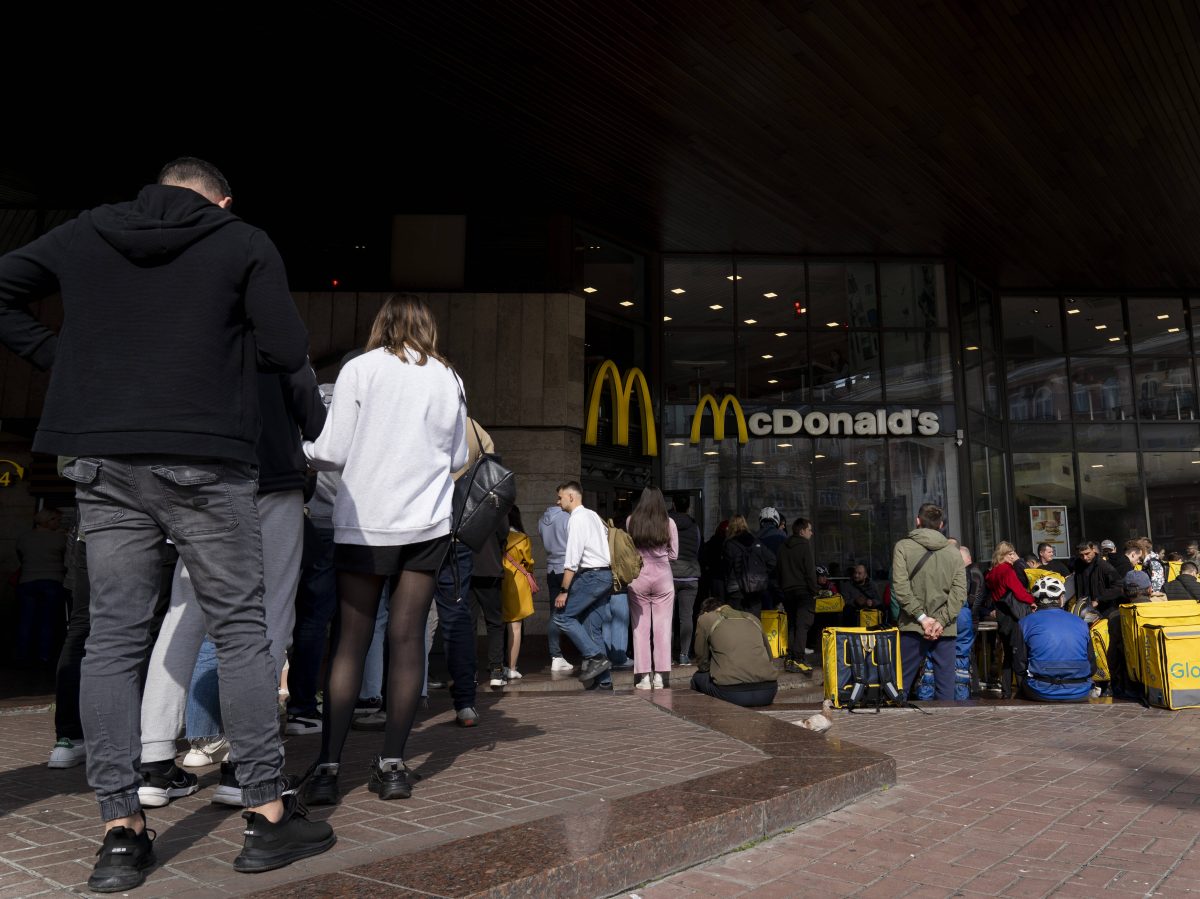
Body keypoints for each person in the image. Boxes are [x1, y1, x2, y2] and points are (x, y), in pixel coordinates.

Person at [0, 157, 334, 890]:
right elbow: (282, 350)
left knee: (114, 638)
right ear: (222, 199)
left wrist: (68, 359)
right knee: (242, 630)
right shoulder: (242, 241)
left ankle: (120, 833)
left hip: (102, 454)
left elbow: (3, 288)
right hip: (205, 456)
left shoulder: (89, 231)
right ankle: (268, 818)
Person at [302, 294, 468, 806]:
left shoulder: (360, 369)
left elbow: (331, 452)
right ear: (428, 328)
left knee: (350, 639)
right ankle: (393, 766)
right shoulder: (447, 377)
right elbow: (460, 454)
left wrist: (300, 453)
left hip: (365, 525)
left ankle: (329, 767)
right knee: (407, 637)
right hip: (426, 524)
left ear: (382, 324)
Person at [137, 363, 326, 808]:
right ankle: (247, 765)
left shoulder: (190, 327)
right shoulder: (275, 337)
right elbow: (316, 419)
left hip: (197, 481)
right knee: (272, 615)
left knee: (184, 614)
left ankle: (155, 763)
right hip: (272, 476)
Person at [891, 503, 967, 701]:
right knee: (945, 688)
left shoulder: (903, 547)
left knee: (901, 686)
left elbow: (900, 587)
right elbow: (959, 592)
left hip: (912, 625)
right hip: (945, 628)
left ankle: (899, 729)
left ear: (918, 521)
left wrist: (922, 618)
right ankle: (945, 728)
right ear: (941, 525)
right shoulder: (953, 552)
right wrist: (941, 621)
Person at [552, 481, 615, 689]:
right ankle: (604, 683)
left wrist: (563, 590)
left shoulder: (577, 519)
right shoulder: (593, 515)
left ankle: (595, 656)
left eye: (560, 497)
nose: (557, 501)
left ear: (571, 497)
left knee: (562, 617)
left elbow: (572, 558)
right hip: (605, 575)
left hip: (591, 577)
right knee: (593, 629)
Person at [626, 487, 679, 690]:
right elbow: (674, 554)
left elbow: (630, 550)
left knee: (640, 629)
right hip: (663, 578)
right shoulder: (669, 523)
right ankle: (660, 676)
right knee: (662, 628)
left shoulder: (632, 521)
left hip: (638, 577)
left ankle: (644, 678)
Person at [1013, 577, 1094, 701]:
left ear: (1035, 601)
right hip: (1080, 690)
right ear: (1061, 599)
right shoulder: (1081, 622)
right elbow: (1092, 665)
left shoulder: (1025, 623)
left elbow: (1019, 665)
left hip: (1041, 690)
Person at [690, 597, 778, 707]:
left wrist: (712, 667)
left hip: (731, 694)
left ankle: (707, 720)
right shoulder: (752, 618)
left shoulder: (705, 618)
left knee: (697, 678)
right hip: (768, 692)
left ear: (706, 611)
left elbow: (701, 659)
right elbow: (770, 657)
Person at [14, 508, 68, 667]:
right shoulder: (59, 539)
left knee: (26, 621)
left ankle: (22, 657)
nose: (59, 523)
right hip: (52, 581)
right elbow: (68, 559)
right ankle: (44, 656)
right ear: (48, 521)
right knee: (48, 621)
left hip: (27, 581)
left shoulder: (24, 537)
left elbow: (20, 557)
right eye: (57, 520)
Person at [984, 541, 1037, 698]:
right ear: (1006, 555)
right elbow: (1019, 592)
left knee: (1008, 653)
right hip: (1013, 615)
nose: (1014, 556)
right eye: (1011, 553)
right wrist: (1033, 600)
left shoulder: (991, 573)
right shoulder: (1006, 570)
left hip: (1001, 615)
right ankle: (1022, 690)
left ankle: (1006, 691)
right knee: (1018, 653)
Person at [778, 517, 819, 673]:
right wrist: (814, 590)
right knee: (803, 624)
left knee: (793, 624)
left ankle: (791, 656)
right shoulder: (804, 546)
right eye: (809, 530)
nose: (811, 533)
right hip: (803, 591)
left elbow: (779, 570)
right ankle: (799, 658)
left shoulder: (783, 546)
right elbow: (809, 571)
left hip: (788, 591)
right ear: (802, 531)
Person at [500, 506, 537, 679]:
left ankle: (496, 665)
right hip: (517, 582)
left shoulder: (496, 536)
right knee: (515, 626)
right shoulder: (522, 538)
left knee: (496, 625)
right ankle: (512, 667)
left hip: (499, 580)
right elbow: (528, 562)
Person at [539, 502, 575, 671]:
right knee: (576, 610)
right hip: (567, 569)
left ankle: (556, 655)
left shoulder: (542, 520)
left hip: (551, 569)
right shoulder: (568, 518)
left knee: (555, 612)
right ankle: (586, 653)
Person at [668, 494, 701, 665]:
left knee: (667, 617)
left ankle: (666, 654)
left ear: (673, 504)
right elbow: (697, 547)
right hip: (690, 575)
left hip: (669, 574)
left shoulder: (666, 522)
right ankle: (684, 654)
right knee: (686, 617)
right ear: (688, 507)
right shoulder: (694, 525)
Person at [723, 514, 774, 616]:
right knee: (753, 622)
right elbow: (772, 560)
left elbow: (727, 568)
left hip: (736, 590)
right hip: (755, 588)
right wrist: (761, 572)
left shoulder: (729, 544)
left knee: (736, 622)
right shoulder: (756, 541)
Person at [1073, 541, 1121, 618]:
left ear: (1094, 550)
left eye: (1087, 553)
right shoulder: (1078, 565)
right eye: (1081, 555)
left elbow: (1118, 587)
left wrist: (1099, 600)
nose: (1085, 557)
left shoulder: (1104, 566)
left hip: (1104, 610)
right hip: (1084, 609)